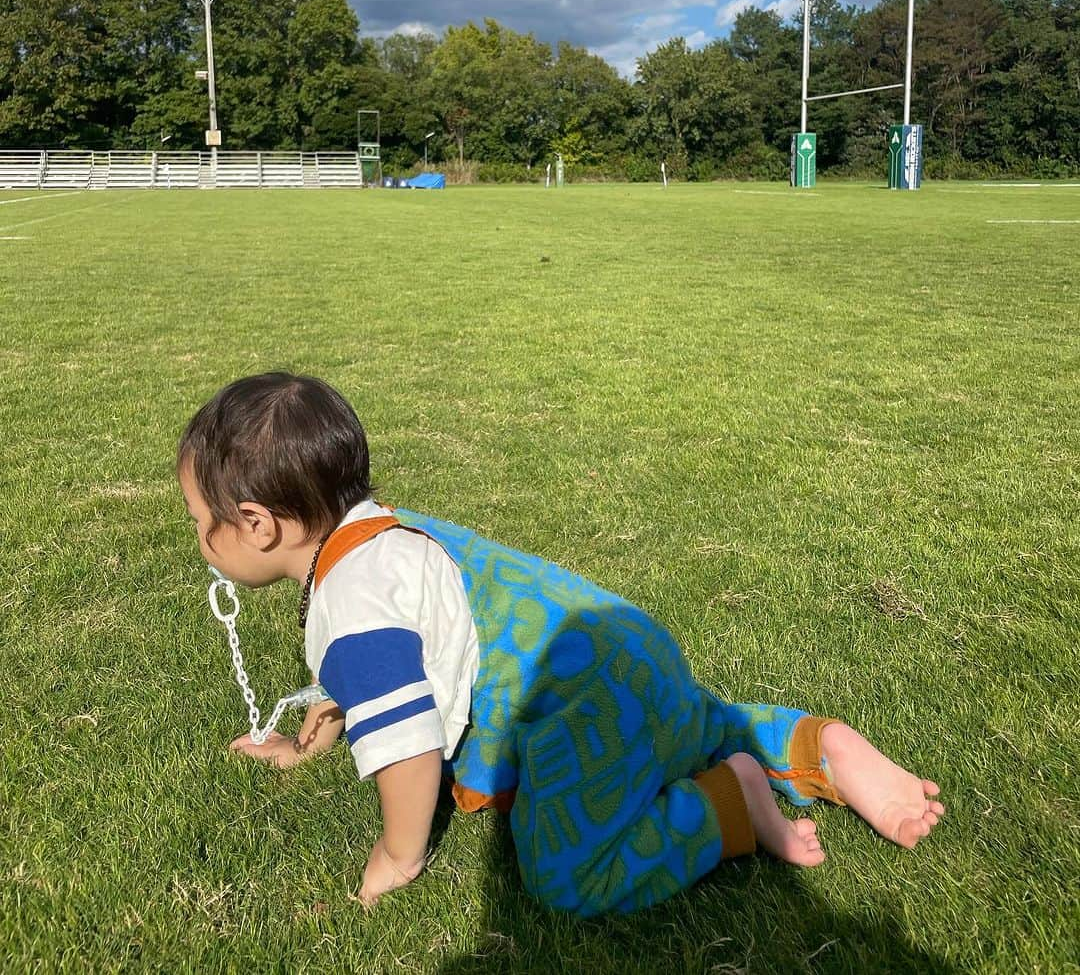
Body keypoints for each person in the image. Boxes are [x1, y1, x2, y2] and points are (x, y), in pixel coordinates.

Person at [178, 372, 944, 915]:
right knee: (692, 723)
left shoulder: (350, 598)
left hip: (580, 709)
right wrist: (319, 732)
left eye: (195, 518)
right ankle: (814, 746)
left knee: (565, 876)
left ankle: (726, 808)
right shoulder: (382, 529)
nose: (196, 538)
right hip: (630, 645)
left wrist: (398, 855)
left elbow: (407, 745)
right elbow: (400, 656)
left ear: (256, 524)